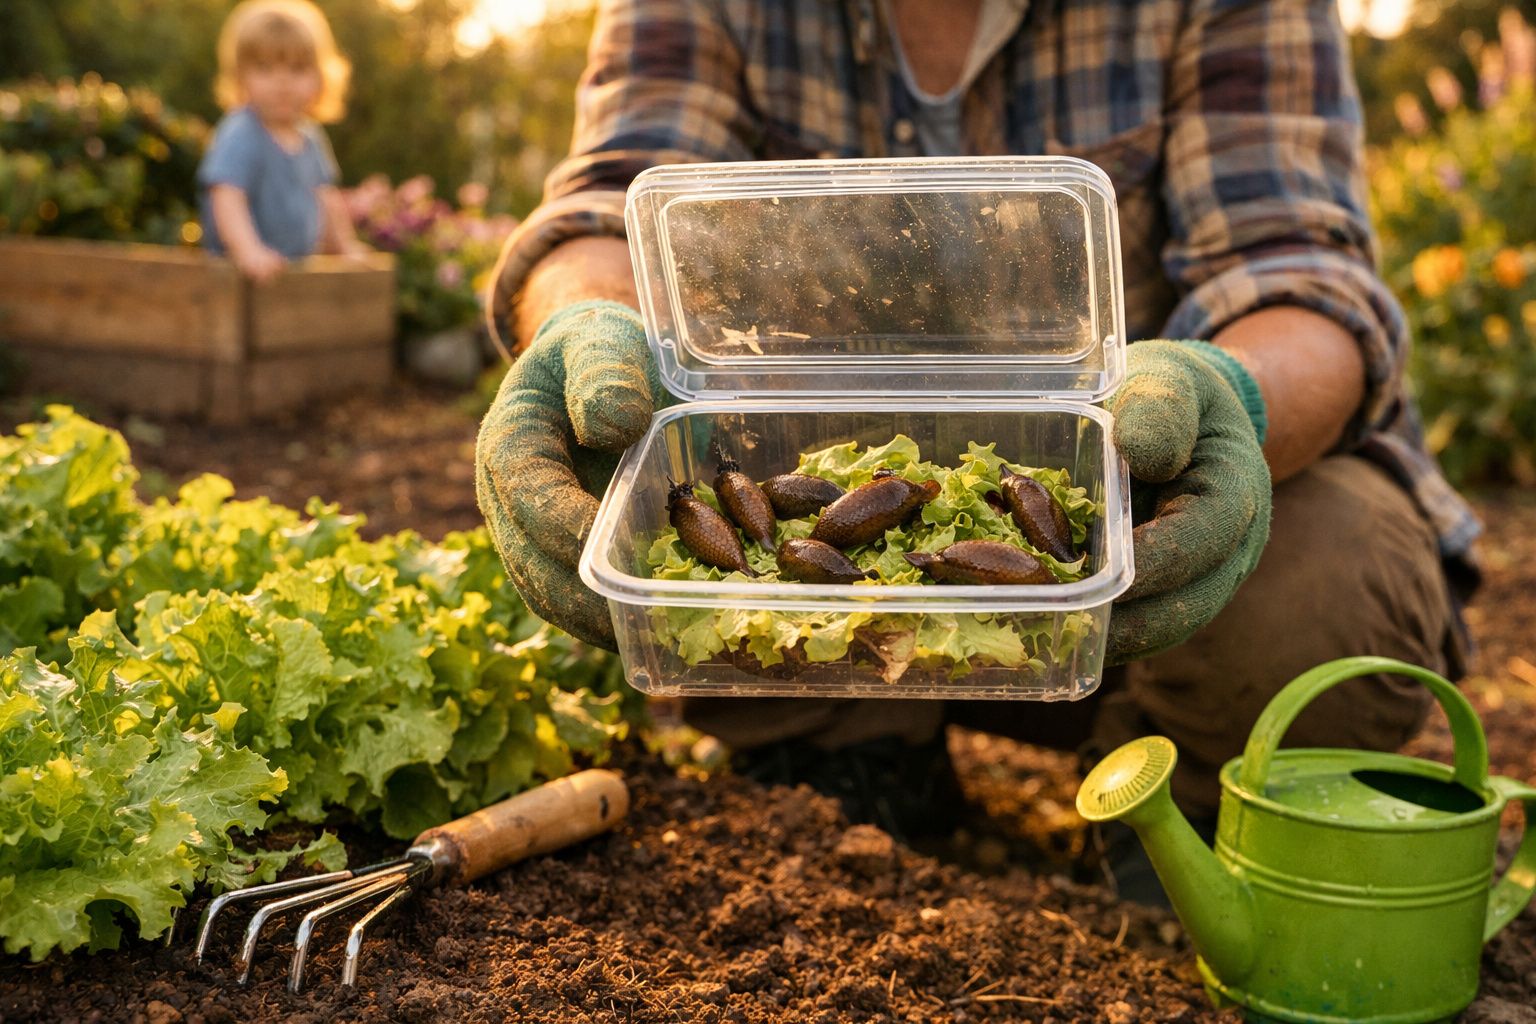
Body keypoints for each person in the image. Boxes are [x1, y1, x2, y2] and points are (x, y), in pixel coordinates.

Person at [476, 0, 1479, 892]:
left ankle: (1187, 819)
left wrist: (1231, 397)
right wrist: (585, 323)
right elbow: (611, 200)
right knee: (709, 511)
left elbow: (1297, 267)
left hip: (1144, 537)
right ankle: (846, 760)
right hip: (822, 527)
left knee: (1328, 592)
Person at [198, 0, 365, 282]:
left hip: (291, 276)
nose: (282, 81)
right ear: (241, 75)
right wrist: (248, 251)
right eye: (265, 68)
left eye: (297, 68)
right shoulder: (242, 131)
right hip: (240, 277)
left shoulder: (311, 137)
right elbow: (226, 196)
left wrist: (345, 249)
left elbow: (325, 199)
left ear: (320, 77)